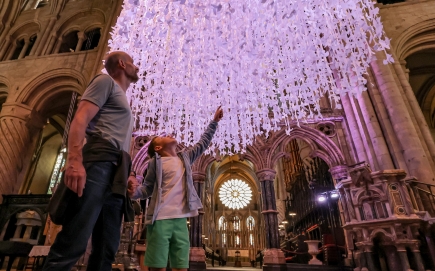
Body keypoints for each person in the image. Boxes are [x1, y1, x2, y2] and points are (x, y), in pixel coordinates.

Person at [43, 51, 139, 271]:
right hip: (99, 164)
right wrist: (74, 160)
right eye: (133, 63)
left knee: (107, 246)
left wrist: (128, 174)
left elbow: (121, 140)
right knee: (74, 239)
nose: (137, 68)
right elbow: (81, 118)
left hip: (116, 172)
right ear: (122, 64)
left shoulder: (123, 99)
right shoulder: (105, 81)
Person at [128, 106, 224, 271]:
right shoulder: (154, 163)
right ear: (158, 148)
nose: (168, 135)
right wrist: (133, 193)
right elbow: (147, 189)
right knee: (157, 266)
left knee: (181, 266)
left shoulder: (184, 159)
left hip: (181, 220)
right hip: (160, 219)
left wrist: (214, 122)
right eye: (161, 137)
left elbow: (202, 143)